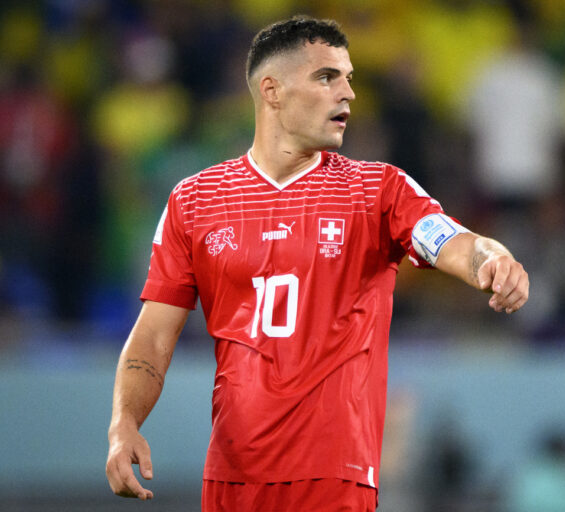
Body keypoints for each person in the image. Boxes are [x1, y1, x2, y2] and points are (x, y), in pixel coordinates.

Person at [105, 16, 529, 511]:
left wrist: (490, 256)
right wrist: (124, 424)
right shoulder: (195, 201)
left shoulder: (377, 189)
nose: (347, 93)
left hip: (334, 477)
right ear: (272, 91)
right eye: (327, 77)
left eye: (349, 78)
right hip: (230, 480)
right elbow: (154, 335)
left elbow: (450, 239)